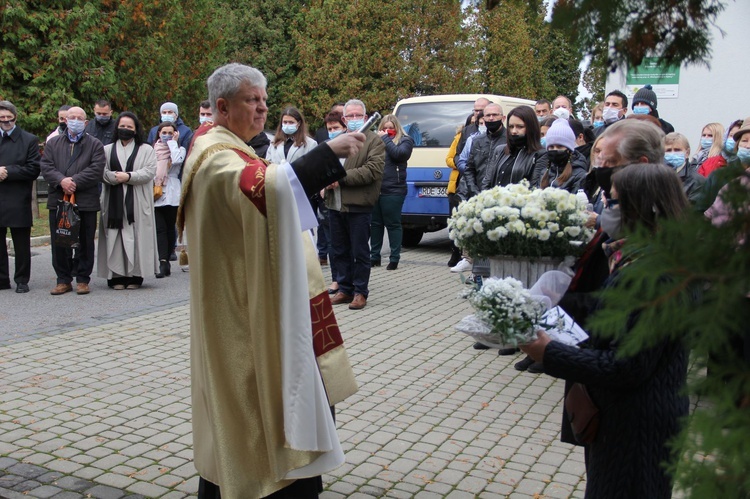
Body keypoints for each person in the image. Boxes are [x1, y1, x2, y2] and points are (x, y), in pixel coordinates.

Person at [177, 62, 361, 498]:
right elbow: (264, 187)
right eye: (251, 100)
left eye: (264, 100)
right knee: (257, 403)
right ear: (221, 107)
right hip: (246, 311)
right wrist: (328, 153)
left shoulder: (230, 145)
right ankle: (272, 479)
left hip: (264, 296)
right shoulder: (213, 156)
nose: (262, 109)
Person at [521, 163, 690, 499]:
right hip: (631, 419)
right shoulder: (641, 258)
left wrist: (548, 352)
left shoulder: (652, 273)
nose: (602, 212)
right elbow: (618, 313)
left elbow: (624, 366)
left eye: (612, 203)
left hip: (635, 426)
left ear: (644, 209)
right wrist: (560, 305)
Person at [326, 99, 385, 310]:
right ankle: (344, 288)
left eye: (357, 115)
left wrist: (340, 178)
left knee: (359, 252)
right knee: (339, 249)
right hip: (335, 203)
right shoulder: (338, 140)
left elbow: (372, 171)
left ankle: (360, 292)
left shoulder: (373, 141)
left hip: (358, 205)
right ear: (343, 119)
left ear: (365, 117)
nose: (353, 119)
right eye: (349, 116)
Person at [40, 106, 106, 295]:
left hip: (85, 200)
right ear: (65, 120)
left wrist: (74, 181)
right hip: (59, 199)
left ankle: (83, 279)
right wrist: (61, 181)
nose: (75, 120)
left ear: (86, 122)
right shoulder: (53, 143)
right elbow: (46, 166)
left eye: (79, 118)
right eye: (71, 117)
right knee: (60, 240)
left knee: (85, 241)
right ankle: (63, 279)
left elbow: (96, 168)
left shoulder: (95, 144)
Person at [97, 112, 158, 289]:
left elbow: (149, 171)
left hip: (137, 201)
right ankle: (116, 276)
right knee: (114, 237)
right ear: (117, 128)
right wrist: (115, 177)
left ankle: (135, 276)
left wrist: (128, 176)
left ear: (136, 129)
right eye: (122, 126)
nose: (125, 130)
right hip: (113, 201)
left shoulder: (146, 149)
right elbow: (101, 171)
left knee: (137, 237)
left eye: (129, 127)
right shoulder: (107, 150)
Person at [0, 100, 41, 293]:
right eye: (2, 118)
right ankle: (1, 279)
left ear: (15, 117)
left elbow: (33, 169)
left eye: (9, 117)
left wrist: (7, 171)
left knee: (21, 243)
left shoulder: (29, 139)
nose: (6, 121)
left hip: (18, 197)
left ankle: (22, 280)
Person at [370, 114, 414, 270]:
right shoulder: (377, 142)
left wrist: (385, 139)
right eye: (384, 128)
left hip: (394, 190)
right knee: (375, 224)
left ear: (397, 127)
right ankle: (374, 256)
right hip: (376, 189)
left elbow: (399, 154)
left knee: (393, 224)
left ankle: (394, 257)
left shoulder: (405, 140)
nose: (387, 130)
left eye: (391, 127)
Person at [482, 105, 546, 190]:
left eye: (520, 127)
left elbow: (535, 188)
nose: (514, 131)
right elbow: (487, 181)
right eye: (511, 126)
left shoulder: (540, 154)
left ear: (531, 127)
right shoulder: (500, 150)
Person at [153, 121, 186, 278]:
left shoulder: (179, 149)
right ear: (158, 133)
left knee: (169, 227)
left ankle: (169, 253)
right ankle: (162, 261)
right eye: (163, 132)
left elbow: (177, 160)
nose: (166, 135)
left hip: (172, 190)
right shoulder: (152, 149)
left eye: (170, 132)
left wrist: (173, 142)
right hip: (156, 190)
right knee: (159, 229)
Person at [462, 102, 505, 198]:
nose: (491, 118)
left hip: (501, 196)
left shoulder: (509, 140)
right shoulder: (477, 140)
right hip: (478, 195)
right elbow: (469, 169)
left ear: (503, 118)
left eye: (495, 115)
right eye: (488, 115)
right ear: (484, 118)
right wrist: (473, 191)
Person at [536, 119, 587, 193]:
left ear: (569, 149)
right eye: (551, 147)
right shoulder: (544, 173)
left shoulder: (579, 175)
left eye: (560, 146)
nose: (555, 150)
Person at [664, 132, 705, 203]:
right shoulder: (656, 177)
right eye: (668, 150)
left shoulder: (697, 181)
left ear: (687, 153)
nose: (672, 153)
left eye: (677, 150)